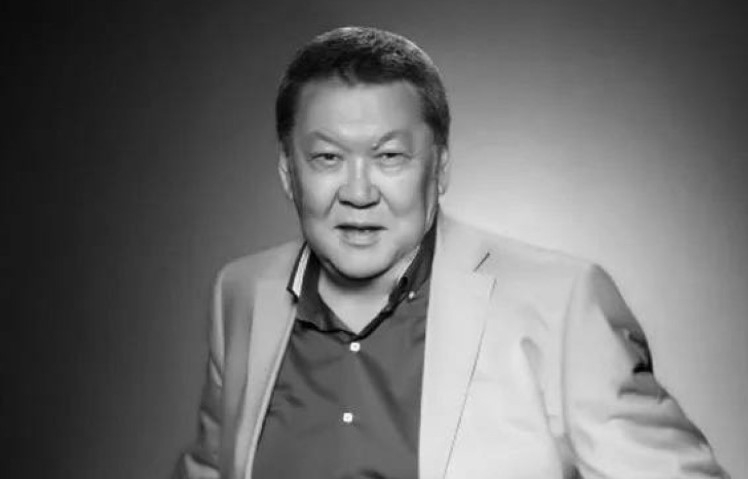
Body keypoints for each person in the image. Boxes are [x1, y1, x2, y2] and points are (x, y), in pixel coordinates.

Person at [173, 26, 728, 479]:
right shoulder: (242, 295)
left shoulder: (563, 305)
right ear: (287, 173)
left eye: (389, 156)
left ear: (439, 169)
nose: (359, 192)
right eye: (327, 158)